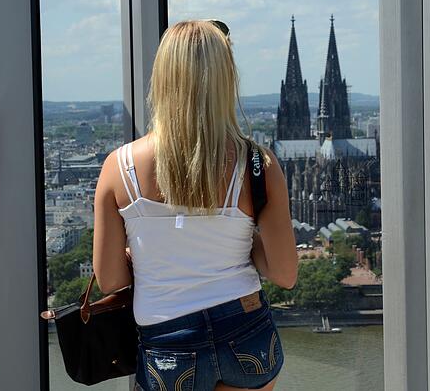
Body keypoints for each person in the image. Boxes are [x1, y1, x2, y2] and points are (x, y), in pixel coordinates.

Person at [93, 20, 298, 391]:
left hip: (168, 343)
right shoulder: (257, 164)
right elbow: (284, 273)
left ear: (162, 77)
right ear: (225, 79)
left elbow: (110, 280)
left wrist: (144, 252)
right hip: (246, 329)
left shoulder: (118, 167)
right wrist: (244, 240)